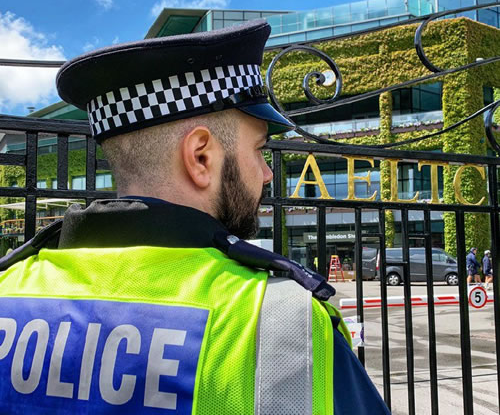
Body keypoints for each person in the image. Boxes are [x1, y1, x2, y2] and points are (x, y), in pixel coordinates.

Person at [0, 20, 389, 414]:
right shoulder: (282, 321)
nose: (267, 172)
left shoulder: (8, 288)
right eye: (258, 150)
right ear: (200, 156)